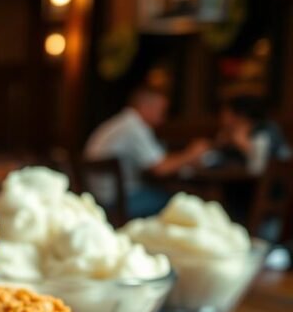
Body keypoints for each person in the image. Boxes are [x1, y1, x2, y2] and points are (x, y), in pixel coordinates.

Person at [84, 86, 209, 217]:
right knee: (180, 203)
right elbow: (160, 168)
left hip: (99, 198)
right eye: (162, 111)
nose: (163, 118)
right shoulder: (134, 126)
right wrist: (192, 153)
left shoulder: (119, 123)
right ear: (146, 106)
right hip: (117, 202)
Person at [215, 94, 290, 175]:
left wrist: (242, 143)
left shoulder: (266, 130)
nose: (222, 118)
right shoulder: (231, 133)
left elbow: (265, 165)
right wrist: (215, 147)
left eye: (226, 113)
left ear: (241, 115)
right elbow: (224, 162)